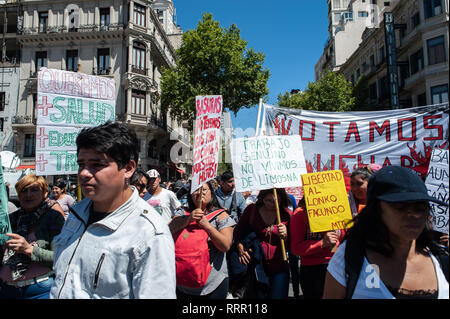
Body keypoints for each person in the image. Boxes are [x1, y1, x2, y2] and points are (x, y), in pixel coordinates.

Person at [50, 121, 176, 299]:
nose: (84, 173)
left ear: (128, 168)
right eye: (81, 164)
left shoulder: (150, 234)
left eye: (96, 164)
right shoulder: (76, 213)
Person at [323, 166, 449, 299]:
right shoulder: (350, 258)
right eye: (400, 207)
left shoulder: (442, 260)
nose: (414, 215)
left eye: (420, 208)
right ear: (376, 210)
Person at [0, 174, 65, 299]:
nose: (28, 194)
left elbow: (61, 257)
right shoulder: (10, 219)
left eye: (34, 190)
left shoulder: (53, 217)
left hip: (39, 291)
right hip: (7, 290)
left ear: (44, 193)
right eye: (24, 190)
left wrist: (29, 250)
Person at [169, 180, 235, 299]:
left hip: (213, 284)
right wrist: (188, 220)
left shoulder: (221, 215)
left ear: (211, 193)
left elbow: (225, 246)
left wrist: (207, 226)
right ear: (190, 195)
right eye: (195, 190)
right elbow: (168, 230)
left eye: (204, 189)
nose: (200, 193)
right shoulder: (182, 212)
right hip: (182, 282)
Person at [233, 188, 291, 299]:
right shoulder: (252, 210)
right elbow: (238, 232)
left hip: (279, 267)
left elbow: (294, 245)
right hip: (255, 266)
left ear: (281, 199)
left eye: (276, 201)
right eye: (268, 200)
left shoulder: (287, 215)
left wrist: (286, 235)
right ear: (262, 198)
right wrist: (240, 247)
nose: (272, 204)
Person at [290, 195, 345, 299]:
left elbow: (343, 239)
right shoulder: (300, 214)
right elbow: (296, 248)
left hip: (336, 266)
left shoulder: (339, 210)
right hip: (312, 270)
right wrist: (322, 243)